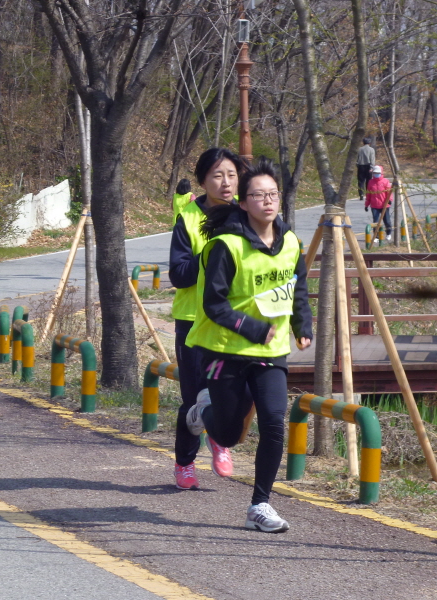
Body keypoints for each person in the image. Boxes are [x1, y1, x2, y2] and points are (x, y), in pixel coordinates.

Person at [184, 157, 313, 533]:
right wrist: (254, 328)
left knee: (274, 422)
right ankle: (201, 412)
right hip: (224, 349)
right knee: (227, 434)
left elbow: (298, 288)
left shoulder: (290, 242)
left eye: (273, 194)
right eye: (258, 195)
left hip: (270, 353)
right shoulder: (225, 245)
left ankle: (259, 505)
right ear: (243, 202)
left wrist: (302, 324)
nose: (268, 201)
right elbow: (214, 304)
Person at [169, 148, 247, 490]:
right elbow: (178, 273)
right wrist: (211, 260)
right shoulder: (188, 218)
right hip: (193, 321)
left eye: (231, 174)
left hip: (234, 320)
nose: (226, 182)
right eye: (217, 175)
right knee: (193, 398)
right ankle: (185, 462)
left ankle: (219, 438)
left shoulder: (247, 211)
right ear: (203, 181)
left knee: (234, 392)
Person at [365, 165, 393, 242]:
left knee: (386, 220)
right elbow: (368, 194)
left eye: (377, 173)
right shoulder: (370, 182)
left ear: (381, 173)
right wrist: (366, 204)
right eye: (374, 173)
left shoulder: (385, 181)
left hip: (384, 205)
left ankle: (388, 233)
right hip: (374, 205)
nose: (376, 174)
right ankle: (376, 236)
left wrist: (389, 199)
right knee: (375, 221)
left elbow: (389, 192)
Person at [357, 137, 376, 202]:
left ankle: (361, 194)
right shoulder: (371, 149)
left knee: (361, 181)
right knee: (369, 181)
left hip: (361, 166)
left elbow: (357, 159)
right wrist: (371, 167)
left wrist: (358, 165)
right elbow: (372, 159)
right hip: (368, 166)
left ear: (363, 142)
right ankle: (368, 194)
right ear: (369, 143)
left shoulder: (359, 149)